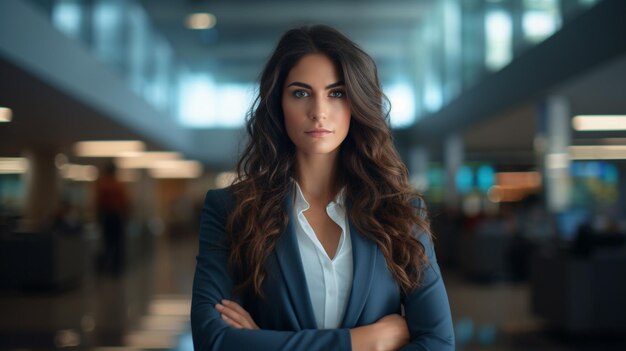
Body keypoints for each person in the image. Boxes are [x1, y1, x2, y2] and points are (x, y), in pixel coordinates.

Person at [191, 25, 454, 350]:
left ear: (356, 103)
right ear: (278, 103)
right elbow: (213, 341)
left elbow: (439, 343)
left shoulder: (399, 211)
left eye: (336, 93)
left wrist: (261, 343)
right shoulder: (230, 210)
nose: (318, 112)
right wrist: (364, 342)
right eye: (301, 93)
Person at [95, 161, 129, 275]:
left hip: (107, 216)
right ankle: (115, 268)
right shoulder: (119, 185)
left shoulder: (102, 184)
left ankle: (106, 267)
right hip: (116, 216)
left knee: (107, 244)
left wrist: (98, 217)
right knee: (117, 244)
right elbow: (125, 203)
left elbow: (98, 202)